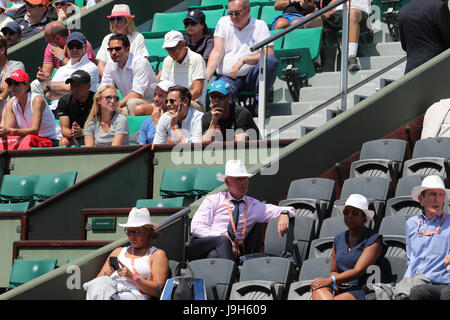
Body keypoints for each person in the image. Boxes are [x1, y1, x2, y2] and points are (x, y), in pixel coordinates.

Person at [187, 159, 295, 261]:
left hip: (229, 252)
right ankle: (233, 278)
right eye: (238, 179)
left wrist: (285, 213)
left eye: (245, 179)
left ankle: (227, 277)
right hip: (204, 245)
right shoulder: (213, 200)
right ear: (227, 182)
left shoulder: (253, 205)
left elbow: (290, 209)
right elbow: (196, 227)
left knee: (214, 255)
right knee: (223, 241)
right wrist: (221, 235)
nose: (243, 183)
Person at [206, 0, 278, 116]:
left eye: (237, 13)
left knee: (270, 62)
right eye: (231, 13)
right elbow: (217, 52)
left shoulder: (260, 25)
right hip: (227, 77)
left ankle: (259, 102)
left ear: (248, 10)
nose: (233, 17)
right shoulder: (223, 22)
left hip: (252, 76)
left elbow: (268, 54)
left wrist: (244, 61)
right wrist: (207, 75)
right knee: (220, 108)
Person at [311, 193, 386, 300]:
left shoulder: (374, 239)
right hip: (341, 285)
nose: (349, 216)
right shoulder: (338, 238)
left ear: (364, 217)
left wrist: (330, 280)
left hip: (364, 289)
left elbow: (359, 270)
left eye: (355, 213)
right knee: (316, 286)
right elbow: (333, 271)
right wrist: (335, 281)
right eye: (346, 212)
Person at [83, 207, 169, 300]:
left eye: (136, 232)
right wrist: (107, 274)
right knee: (98, 283)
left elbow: (159, 291)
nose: (131, 236)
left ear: (148, 231)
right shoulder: (118, 251)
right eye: (129, 232)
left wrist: (133, 277)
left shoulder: (157, 255)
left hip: (135, 295)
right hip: (111, 291)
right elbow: (98, 279)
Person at [405, 175, 450, 300]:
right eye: (433, 194)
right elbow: (410, 258)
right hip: (415, 281)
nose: (437, 199)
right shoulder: (411, 224)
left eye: (441, 195)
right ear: (421, 199)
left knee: (418, 291)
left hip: (443, 283)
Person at [100, 33, 157, 116]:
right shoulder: (110, 65)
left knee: (132, 103)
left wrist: (117, 105)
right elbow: (105, 90)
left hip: (153, 103)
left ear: (127, 49)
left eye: (117, 49)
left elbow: (137, 94)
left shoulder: (140, 62)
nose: (113, 52)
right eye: (110, 49)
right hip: (128, 105)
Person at [0, 70, 61, 146]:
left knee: (29, 139)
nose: (12, 87)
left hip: (52, 139)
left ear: (27, 86)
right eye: (10, 84)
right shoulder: (10, 103)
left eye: (16, 83)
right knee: (2, 141)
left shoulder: (37, 100)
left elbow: (34, 130)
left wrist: (10, 131)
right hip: (31, 139)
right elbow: (6, 129)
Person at [43, 31, 98, 111]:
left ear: (85, 47)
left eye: (78, 46)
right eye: (71, 46)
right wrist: (50, 86)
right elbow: (48, 94)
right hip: (56, 111)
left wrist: (49, 84)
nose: (74, 49)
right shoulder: (61, 69)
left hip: (79, 111)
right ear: (66, 48)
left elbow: (70, 87)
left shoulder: (91, 68)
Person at [34, 21, 96, 92]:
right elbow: (46, 73)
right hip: (62, 81)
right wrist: (42, 75)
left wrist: (62, 58)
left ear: (57, 38)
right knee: (35, 84)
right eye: (71, 47)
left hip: (84, 84)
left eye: (48, 40)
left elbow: (82, 74)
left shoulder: (82, 45)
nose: (46, 41)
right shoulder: (51, 47)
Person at [96, 4, 148, 78]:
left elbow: (142, 63)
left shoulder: (138, 37)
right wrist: (109, 82)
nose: (115, 22)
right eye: (113, 19)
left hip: (133, 79)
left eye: (119, 19)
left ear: (128, 21)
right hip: (111, 81)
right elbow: (101, 64)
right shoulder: (107, 38)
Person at [160, 30, 206, 112]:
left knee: (178, 108)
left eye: (173, 49)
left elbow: (197, 91)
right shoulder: (167, 60)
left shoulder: (197, 59)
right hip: (171, 103)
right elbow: (163, 89)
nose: (170, 53)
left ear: (182, 44)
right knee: (139, 109)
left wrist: (177, 102)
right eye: (168, 49)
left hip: (193, 103)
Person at [399, 0, 450, 74]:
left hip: (411, 71)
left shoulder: (403, 10)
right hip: (437, 68)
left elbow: (404, 45)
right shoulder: (439, 6)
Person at [322, 0, 372, 71]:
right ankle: (316, 62)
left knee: (351, 13)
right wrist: (328, 9)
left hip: (359, 12)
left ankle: (351, 58)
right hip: (338, 13)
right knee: (311, 19)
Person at [57, 70, 94, 147]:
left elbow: (102, 128)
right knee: (63, 142)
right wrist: (73, 132)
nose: (74, 89)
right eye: (72, 85)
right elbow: (64, 129)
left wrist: (83, 132)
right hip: (74, 138)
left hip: (94, 136)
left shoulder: (98, 100)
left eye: (79, 86)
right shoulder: (64, 101)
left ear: (89, 86)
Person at [136, 80, 175, 145]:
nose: (155, 99)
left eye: (160, 96)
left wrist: (157, 122)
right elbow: (141, 147)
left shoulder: (176, 120)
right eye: (155, 95)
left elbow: (174, 143)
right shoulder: (147, 122)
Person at [0, 34, 25, 118]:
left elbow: (8, 91)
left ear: (2, 50)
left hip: (14, 116)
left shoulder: (17, 66)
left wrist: (6, 89)